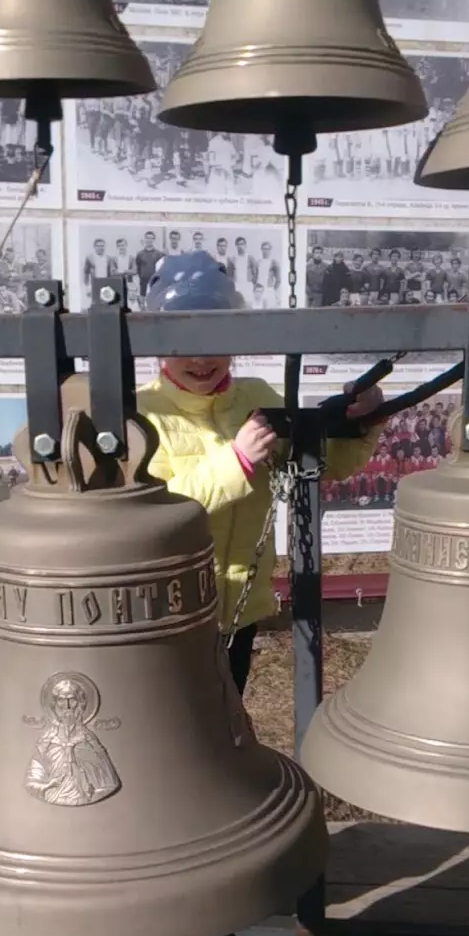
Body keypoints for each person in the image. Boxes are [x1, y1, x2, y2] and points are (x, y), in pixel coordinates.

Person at [137, 252, 384, 696]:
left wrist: (361, 424)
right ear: (156, 345)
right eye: (183, 344)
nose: (201, 358)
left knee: (229, 722)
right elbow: (154, 510)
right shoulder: (141, 415)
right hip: (172, 612)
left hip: (240, 608)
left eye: (215, 340)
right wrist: (237, 463)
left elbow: (324, 464)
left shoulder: (255, 396)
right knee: (174, 729)